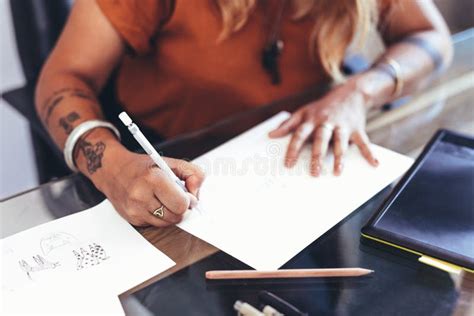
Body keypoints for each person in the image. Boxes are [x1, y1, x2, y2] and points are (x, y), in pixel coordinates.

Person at [35, 0, 452, 227]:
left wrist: (360, 90)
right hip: (164, 158)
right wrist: (113, 168)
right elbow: (63, 78)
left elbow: (431, 36)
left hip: (293, 164)